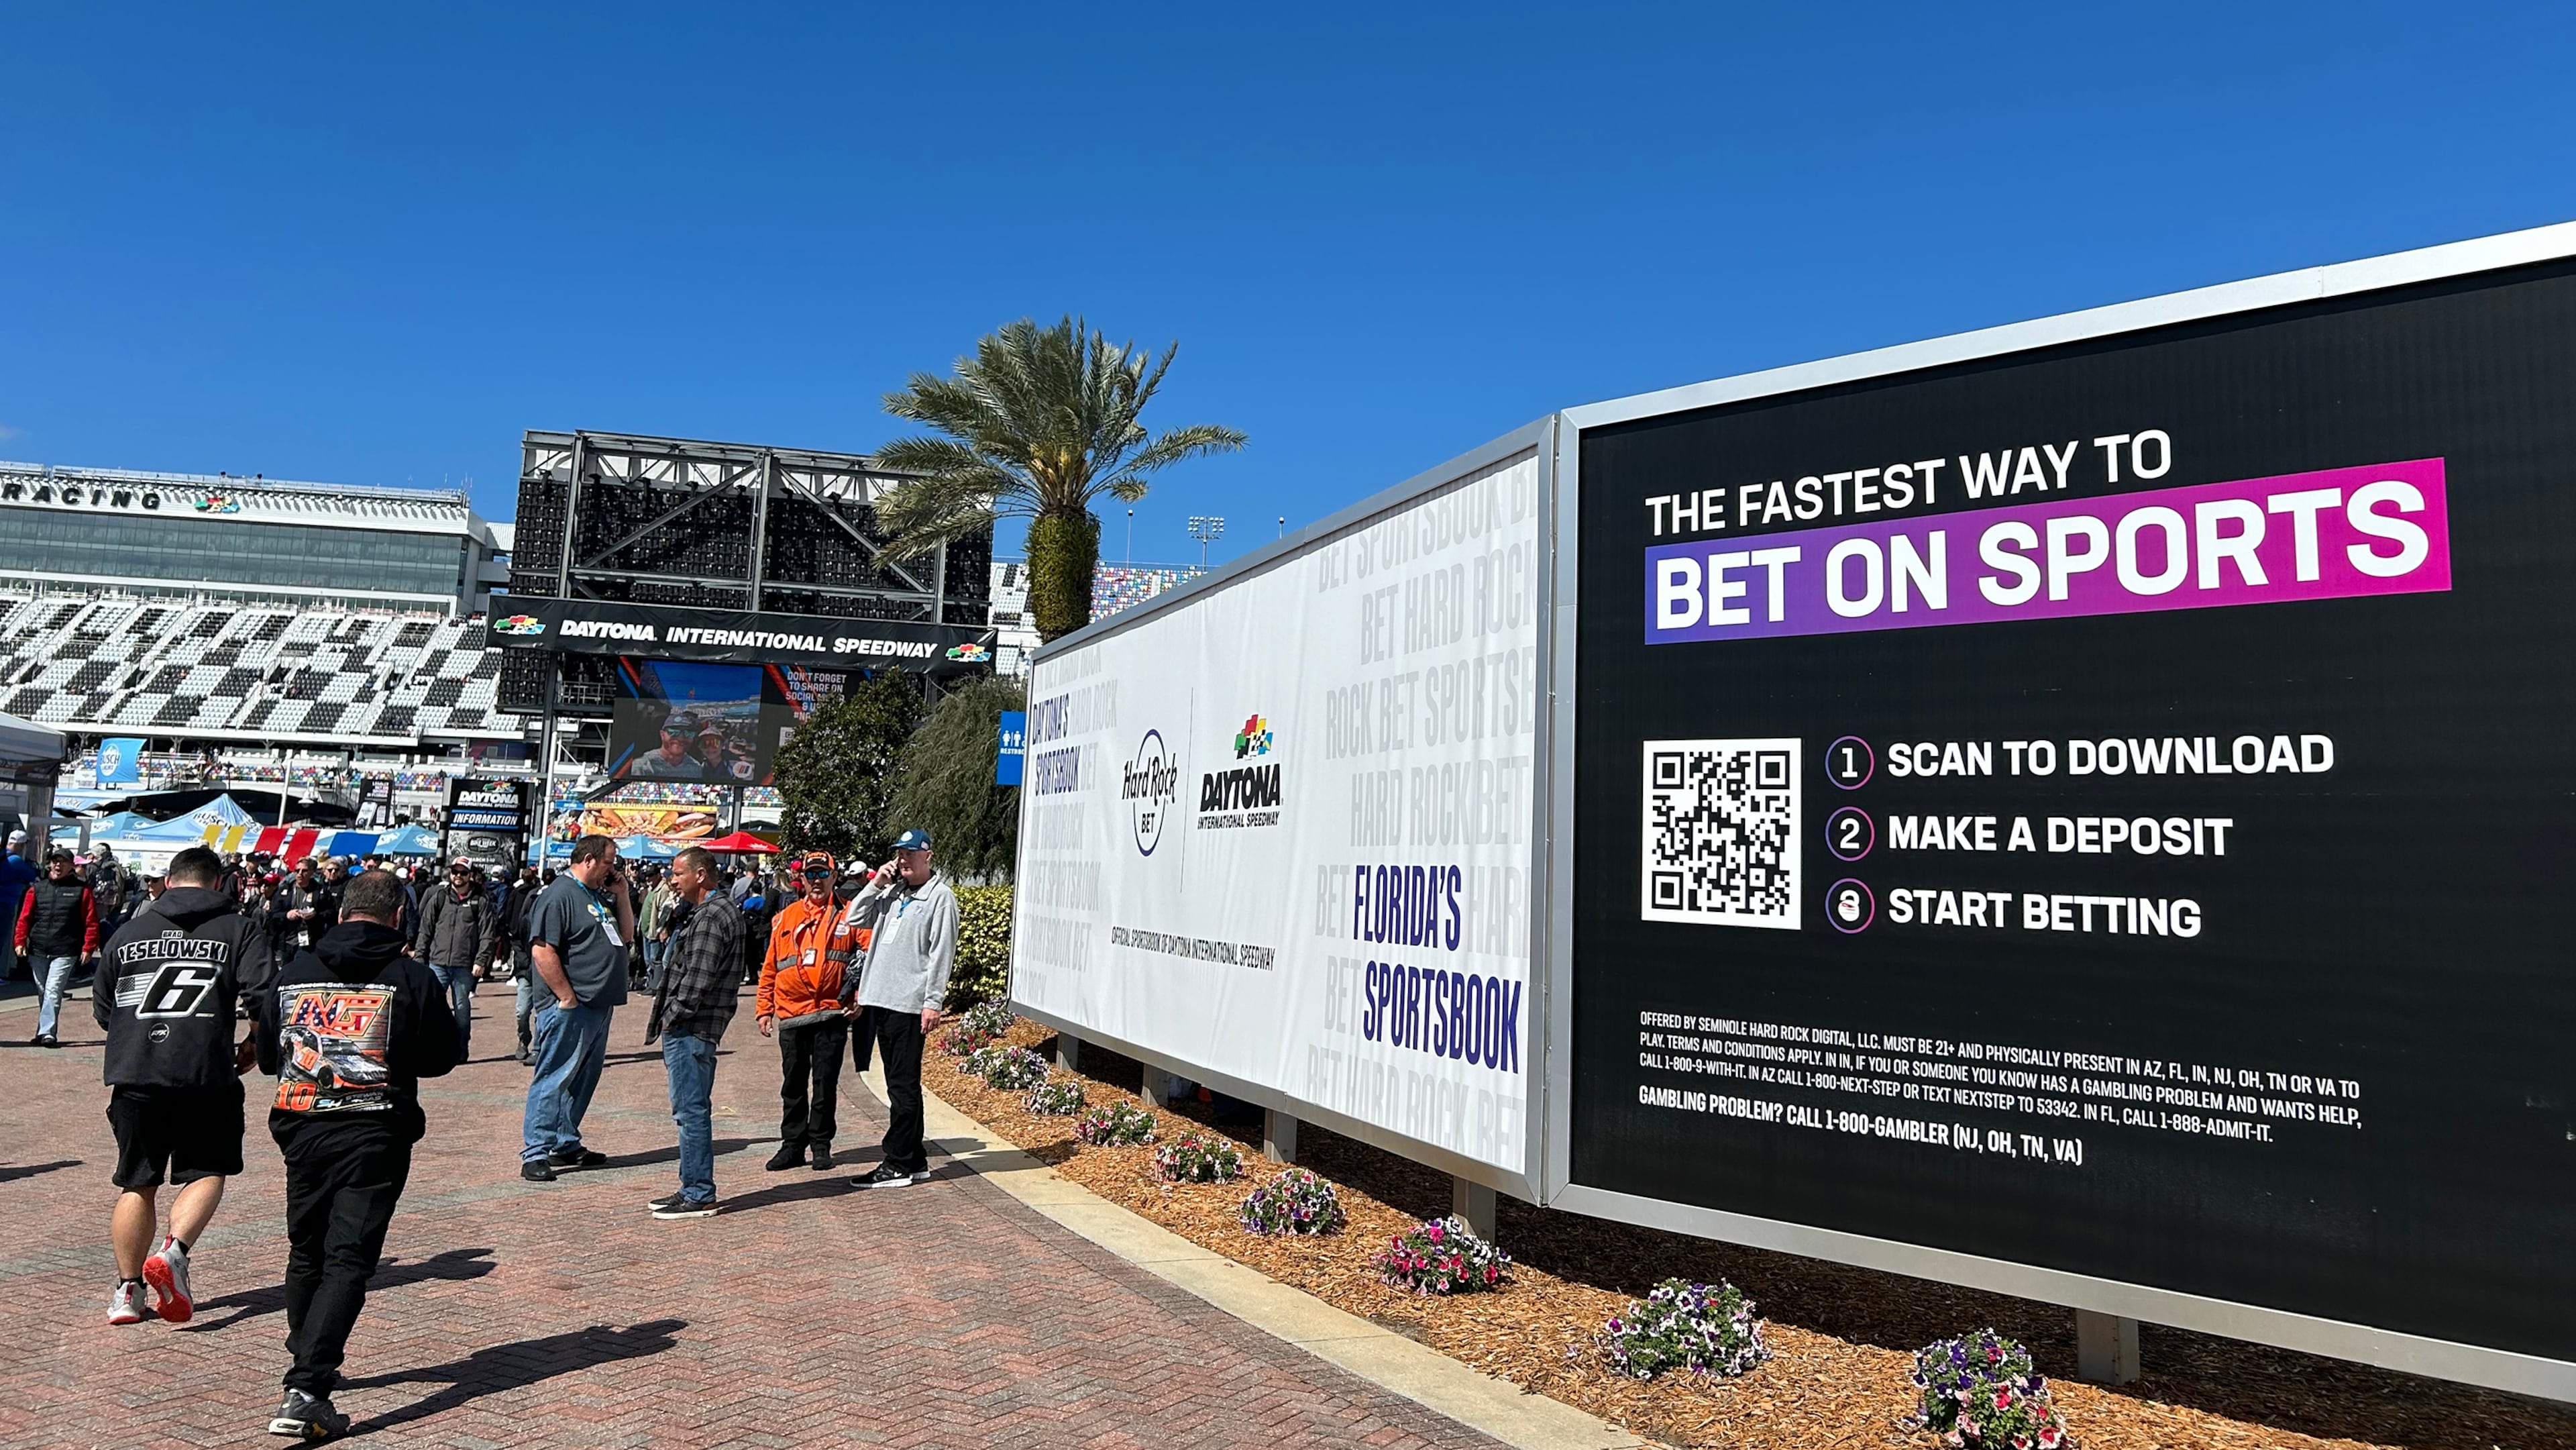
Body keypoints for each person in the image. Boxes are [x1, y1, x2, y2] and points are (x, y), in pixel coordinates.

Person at [251, 869, 461, 1441]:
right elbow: (443, 1055)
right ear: (398, 917)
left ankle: (310, 1357)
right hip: (374, 1131)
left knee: (307, 1250)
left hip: (303, 1126)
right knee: (347, 1257)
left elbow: (271, 1056)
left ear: (343, 914)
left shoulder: (295, 971)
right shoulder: (411, 975)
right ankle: (308, 1386)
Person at [93, 845, 269, 1327]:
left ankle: (127, 1290)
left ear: (168, 881)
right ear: (218, 883)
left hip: (135, 1072)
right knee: (209, 1166)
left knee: (137, 1180)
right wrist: (255, 1039)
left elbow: (105, 1009)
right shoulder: (239, 928)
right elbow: (261, 994)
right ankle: (174, 1252)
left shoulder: (130, 931)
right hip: (204, 1073)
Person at [838, 829, 957, 1190]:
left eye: (910, 854)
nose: (903, 860)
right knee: (899, 1084)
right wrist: (875, 884)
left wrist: (932, 1002)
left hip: (908, 1004)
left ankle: (897, 1162)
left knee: (902, 1086)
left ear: (928, 856)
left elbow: (941, 954)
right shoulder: (893, 893)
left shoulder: (941, 898)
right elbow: (854, 919)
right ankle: (915, 1159)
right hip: (882, 1000)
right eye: (899, 854)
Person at [519, 835, 633, 1182]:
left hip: (599, 1003)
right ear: (588, 860)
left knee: (583, 1078)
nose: (613, 869)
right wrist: (565, 996)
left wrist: (623, 895)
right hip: (572, 1005)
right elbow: (542, 951)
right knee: (554, 1076)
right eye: (609, 863)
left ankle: (565, 1140)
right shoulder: (558, 896)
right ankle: (536, 1150)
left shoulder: (595, 897)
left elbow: (626, 937)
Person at [645, 846, 741, 1218]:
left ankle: (699, 1192)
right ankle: (692, 1184)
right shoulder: (707, 912)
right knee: (690, 1110)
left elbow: (697, 979)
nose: (673, 880)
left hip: (692, 1028)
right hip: (696, 1027)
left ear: (700, 875)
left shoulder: (712, 917)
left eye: (678, 873)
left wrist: (673, 1016)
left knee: (691, 1111)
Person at [754, 852, 861, 1172]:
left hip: (831, 1014)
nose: (816, 881)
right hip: (792, 1015)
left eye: (822, 874)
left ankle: (821, 1144)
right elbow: (770, 965)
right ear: (801, 879)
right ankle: (792, 1146)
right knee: (793, 1085)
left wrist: (859, 996)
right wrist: (764, 1009)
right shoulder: (786, 917)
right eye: (811, 875)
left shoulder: (850, 914)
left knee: (825, 1083)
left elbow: (866, 957)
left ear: (834, 876)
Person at [411, 860, 496, 1058]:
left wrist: (481, 961)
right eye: (455, 872)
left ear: (470, 875)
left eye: (463, 873)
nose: (458, 876)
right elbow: (426, 930)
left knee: (461, 1009)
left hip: (464, 965)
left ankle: (460, 1048)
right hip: (437, 961)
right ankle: (431, 1048)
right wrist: (420, 958)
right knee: (431, 1007)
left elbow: (487, 934)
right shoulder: (439, 897)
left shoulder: (480, 901)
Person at [18, 848, 101, 1047]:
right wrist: (20, 941)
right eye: (55, 861)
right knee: (42, 991)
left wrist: (88, 947)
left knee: (53, 991)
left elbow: (91, 922)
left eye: (63, 862)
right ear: (49, 865)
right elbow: (25, 918)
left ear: (72, 866)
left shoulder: (82, 890)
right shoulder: (37, 889)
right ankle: (42, 1031)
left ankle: (48, 1033)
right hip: (38, 948)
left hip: (66, 950)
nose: (58, 865)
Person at [500, 864, 544, 1064]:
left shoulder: (551, 923)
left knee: (543, 1012)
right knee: (522, 1010)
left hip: (545, 972)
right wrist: (524, 962)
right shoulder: (524, 921)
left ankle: (539, 1047)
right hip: (526, 970)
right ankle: (523, 1038)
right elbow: (517, 942)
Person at [271, 859, 340, 957]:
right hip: (287, 940)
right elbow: (274, 914)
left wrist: (316, 915)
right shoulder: (285, 890)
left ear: (311, 872)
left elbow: (333, 912)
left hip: (309, 940)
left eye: (304, 871)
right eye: (297, 871)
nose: (300, 874)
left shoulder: (321, 892)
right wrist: (287, 915)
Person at [0, 827, 36, 984]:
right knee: (1, 939)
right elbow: (32, 876)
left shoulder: (1, 856)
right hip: (5, 903)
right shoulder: (16, 861)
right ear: (21, 845)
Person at [629, 713, 706, 780]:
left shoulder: (696, 768)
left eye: (688, 733)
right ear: (662, 735)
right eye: (674, 732)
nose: (681, 738)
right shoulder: (642, 765)